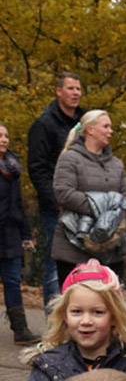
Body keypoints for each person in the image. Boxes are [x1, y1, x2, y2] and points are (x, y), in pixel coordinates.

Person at [22, 259, 126, 381]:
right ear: (64, 315)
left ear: (115, 317)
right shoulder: (48, 367)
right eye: (77, 312)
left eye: (97, 312)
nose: (86, 321)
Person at [52, 110, 126, 285]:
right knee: (74, 305)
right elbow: (63, 193)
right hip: (72, 246)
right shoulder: (69, 158)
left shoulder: (117, 164)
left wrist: (112, 218)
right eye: (106, 126)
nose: (111, 131)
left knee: (110, 306)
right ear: (89, 130)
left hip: (112, 248)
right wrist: (102, 209)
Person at [28, 72, 85, 309]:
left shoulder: (85, 122)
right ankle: (53, 326)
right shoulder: (45, 124)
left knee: (80, 266)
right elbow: (37, 168)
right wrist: (55, 200)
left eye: (78, 89)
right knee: (55, 265)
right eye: (70, 88)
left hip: (83, 205)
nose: (75, 93)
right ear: (58, 91)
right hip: (57, 208)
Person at [0, 123, 41, 345]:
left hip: (11, 234)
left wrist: (26, 234)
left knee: (13, 281)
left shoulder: (12, 168)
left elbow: (17, 204)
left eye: (6, 135)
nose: (4, 139)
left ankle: (20, 329)